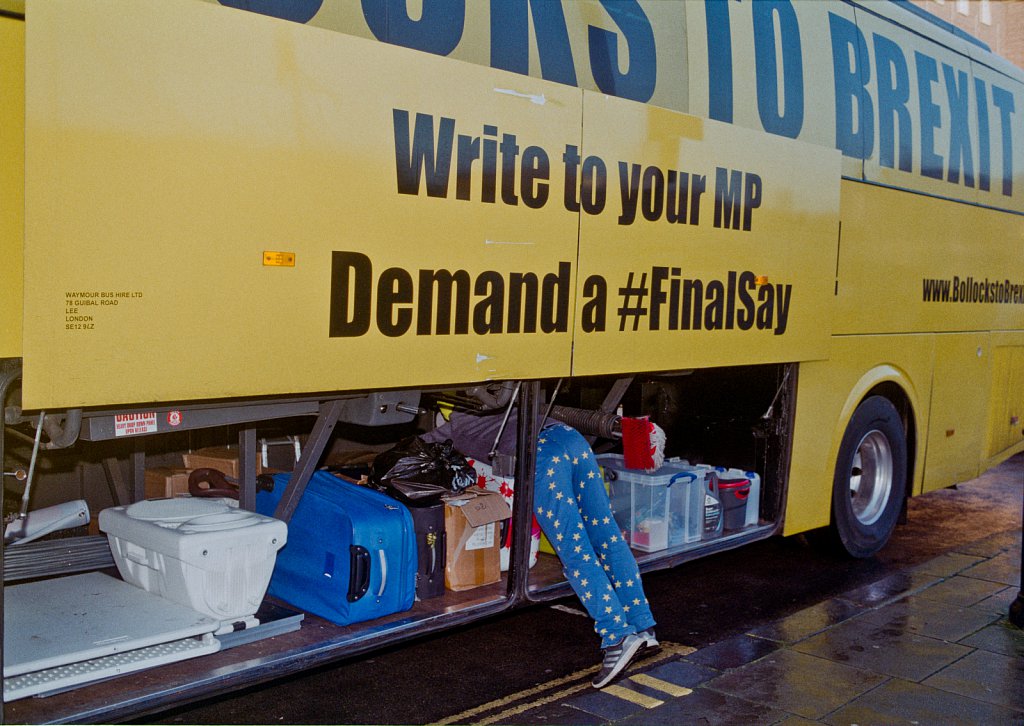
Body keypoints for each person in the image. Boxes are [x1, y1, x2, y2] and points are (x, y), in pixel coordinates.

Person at [422, 411, 659, 688]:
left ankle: (617, 636)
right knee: (607, 537)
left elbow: (417, 447)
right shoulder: (497, 409)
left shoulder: (453, 428)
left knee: (574, 550)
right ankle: (643, 625)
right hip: (572, 439)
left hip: (543, 457)